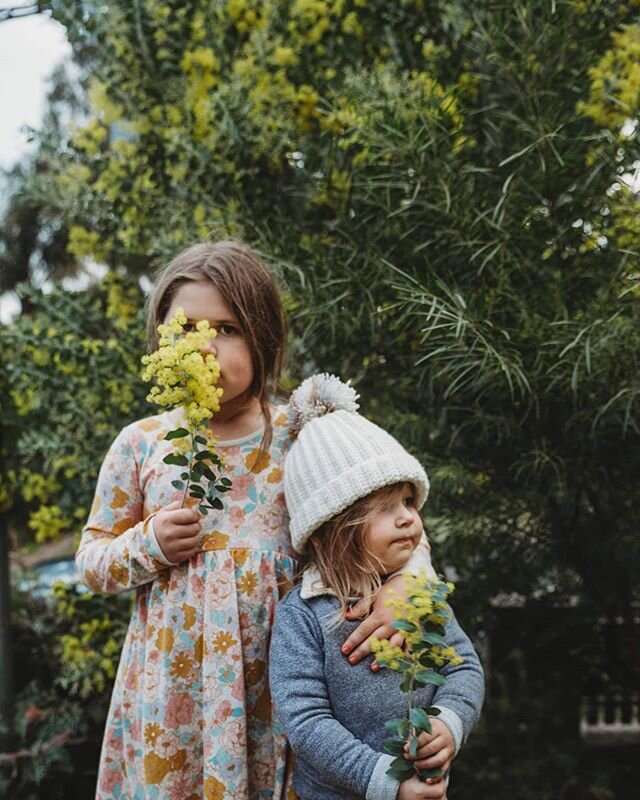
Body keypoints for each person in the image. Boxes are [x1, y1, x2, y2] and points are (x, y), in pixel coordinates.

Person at [75, 241, 436, 800]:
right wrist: (148, 544)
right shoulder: (142, 444)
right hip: (177, 692)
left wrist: (408, 585)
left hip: (294, 684)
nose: (205, 348)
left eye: (226, 328)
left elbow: (395, 520)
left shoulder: (304, 435)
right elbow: (92, 561)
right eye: (186, 330)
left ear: (263, 335)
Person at [269, 373, 485, 800]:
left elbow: (463, 668)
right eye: (385, 508)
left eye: (407, 501)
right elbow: (306, 720)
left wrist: (446, 723)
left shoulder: (421, 596)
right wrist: (386, 782)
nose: (408, 517)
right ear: (327, 531)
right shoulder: (304, 613)